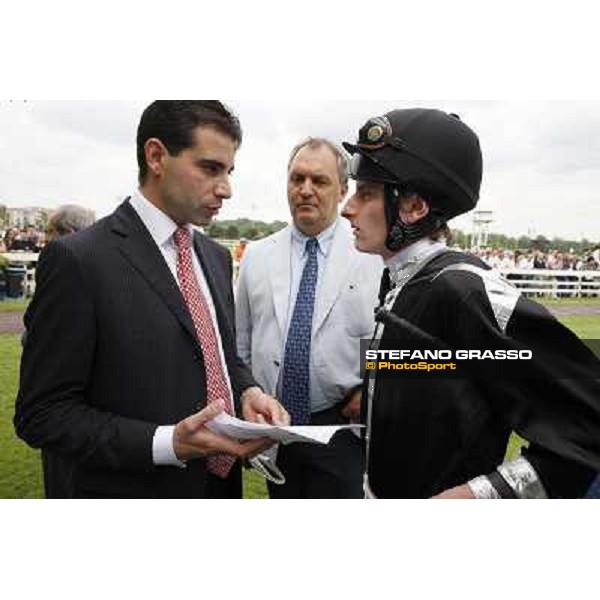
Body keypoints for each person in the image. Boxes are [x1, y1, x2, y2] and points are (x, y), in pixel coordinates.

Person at [15, 100, 288, 499]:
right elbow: (42, 415)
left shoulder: (215, 257)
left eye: (229, 171)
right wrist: (167, 443)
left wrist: (246, 391)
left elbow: (221, 357)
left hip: (219, 488)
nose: (226, 188)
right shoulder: (79, 260)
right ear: (156, 156)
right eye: (210, 168)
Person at [341, 108, 600, 499]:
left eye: (365, 194)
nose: (347, 208)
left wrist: (477, 496)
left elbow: (588, 425)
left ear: (414, 206)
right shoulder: (400, 279)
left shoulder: (464, 290)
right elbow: (451, 376)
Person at [236, 137, 383, 498]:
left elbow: (388, 335)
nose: (305, 190)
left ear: (343, 189)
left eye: (319, 181)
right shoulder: (256, 256)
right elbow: (241, 339)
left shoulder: (372, 255)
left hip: (342, 429)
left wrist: (372, 386)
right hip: (273, 426)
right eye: (296, 179)